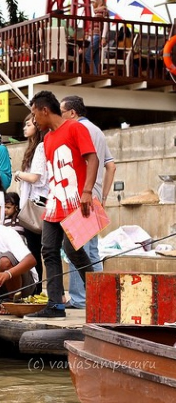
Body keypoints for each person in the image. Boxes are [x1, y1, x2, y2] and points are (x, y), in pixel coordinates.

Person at [24, 90, 99, 320]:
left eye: (35, 114)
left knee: (71, 249)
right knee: (48, 250)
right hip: (54, 201)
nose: (34, 119)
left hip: (76, 200)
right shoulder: (46, 139)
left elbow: (92, 158)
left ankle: (97, 297)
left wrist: (87, 192)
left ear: (45, 110)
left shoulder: (75, 127)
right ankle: (55, 305)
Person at [60, 95, 117, 309]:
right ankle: (99, 298)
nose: (60, 117)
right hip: (94, 197)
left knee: (77, 248)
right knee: (92, 250)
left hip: (80, 197)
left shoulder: (77, 130)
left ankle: (80, 298)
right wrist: (102, 196)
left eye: (62, 112)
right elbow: (111, 166)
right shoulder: (98, 131)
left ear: (72, 113)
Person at [14, 113, 49, 294]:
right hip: (34, 204)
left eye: (28, 124)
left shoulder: (41, 147)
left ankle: (37, 291)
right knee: (37, 250)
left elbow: (36, 177)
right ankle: (36, 290)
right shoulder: (34, 148)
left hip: (39, 205)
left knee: (39, 251)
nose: (25, 128)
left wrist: (18, 174)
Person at [85, 0, 108, 75]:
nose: (92, 4)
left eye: (93, 2)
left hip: (97, 36)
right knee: (95, 58)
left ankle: (94, 75)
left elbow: (106, 23)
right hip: (95, 36)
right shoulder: (97, 11)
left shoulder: (103, 10)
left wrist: (104, 37)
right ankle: (97, 74)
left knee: (88, 55)